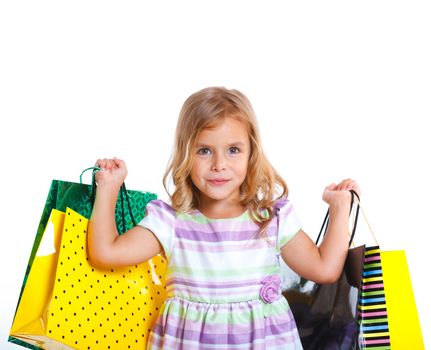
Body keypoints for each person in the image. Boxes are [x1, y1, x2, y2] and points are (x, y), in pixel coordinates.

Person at [88, 86, 360, 349]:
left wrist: (339, 209)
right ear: (185, 154)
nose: (219, 164)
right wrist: (109, 188)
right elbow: (106, 253)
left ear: (251, 153)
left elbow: (325, 269)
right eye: (204, 150)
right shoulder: (171, 222)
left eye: (233, 149)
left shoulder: (270, 219)